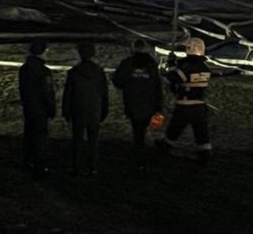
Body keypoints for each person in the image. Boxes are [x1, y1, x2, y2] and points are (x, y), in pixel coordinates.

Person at [158, 36, 212, 164]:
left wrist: (171, 66)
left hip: (185, 106)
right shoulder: (205, 68)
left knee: (174, 130)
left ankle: (164, 148)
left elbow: (173, 79)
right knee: (202, 133)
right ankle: (205, 154)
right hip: (200, 107)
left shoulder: (188, 66)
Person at [111, 38, 163, 168]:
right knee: (142, 130)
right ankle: (141, 157)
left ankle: (138, 157)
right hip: (149, 103)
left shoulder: (128, 63)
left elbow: (118, 81)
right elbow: (157, 85)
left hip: (132, 102)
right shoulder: (151, 64)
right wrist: (158, 105)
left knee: (137, 130)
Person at [62, 41, 108, 176]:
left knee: (77, 140)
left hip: (78, 109)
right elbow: (103, 93)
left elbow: (68, 94)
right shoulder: (99, 72)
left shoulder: (74, 72)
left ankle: (76, 166)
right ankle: (92, 166)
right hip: (94, 109)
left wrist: (66, 111)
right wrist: (104, 110)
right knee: (93, 140)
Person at [18, 40, 56, 175]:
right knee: (40, 136)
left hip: (29, 106)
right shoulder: (44, 71)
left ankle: (28, 162)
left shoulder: (24, 69)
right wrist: (51, 108)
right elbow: (47, 91)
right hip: (41, 108)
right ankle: (40, 164)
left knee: (29, 134)